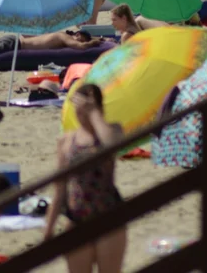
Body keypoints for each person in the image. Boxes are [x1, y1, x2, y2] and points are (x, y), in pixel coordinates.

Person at [45, 84, 126, 273]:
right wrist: (49, 228)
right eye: (80, 109)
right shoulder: (66, 141)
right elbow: (60, 188)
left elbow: (111, 147)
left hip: (109, 215)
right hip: (77, 217)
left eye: (87, 108)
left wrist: (94, 113)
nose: (82, 114)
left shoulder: (111, 130)